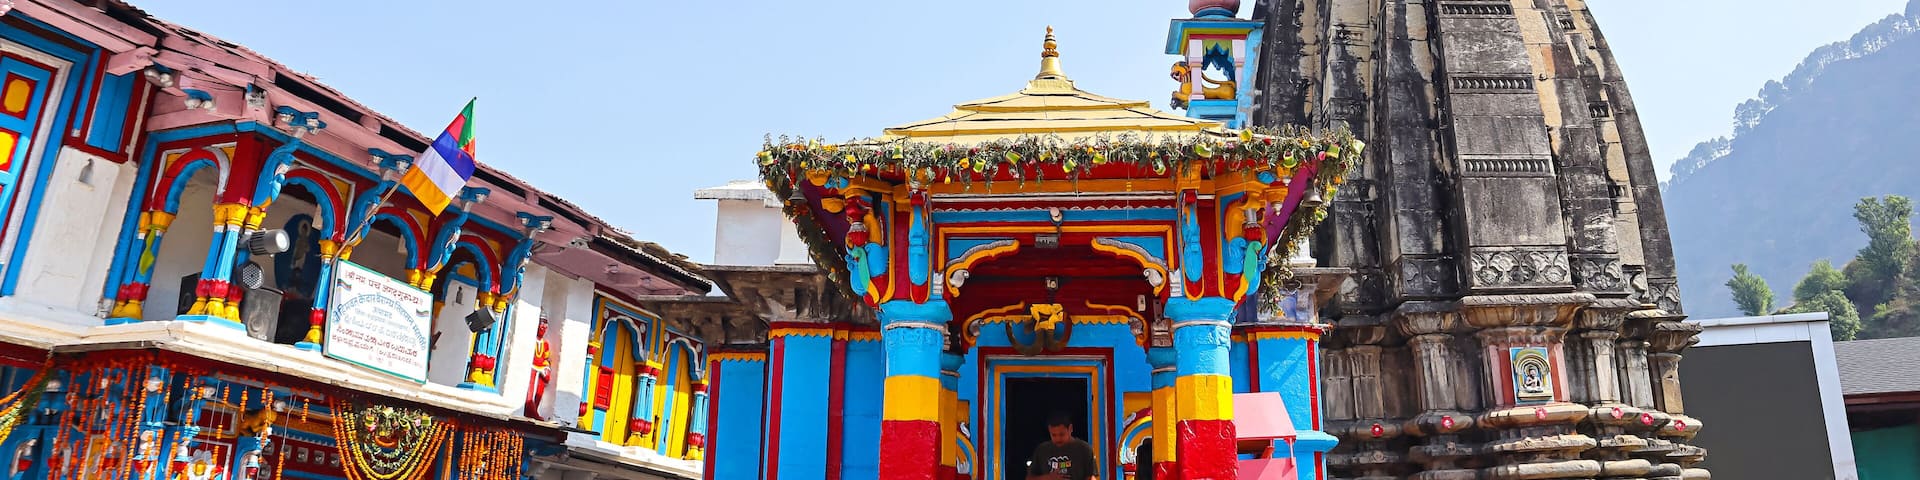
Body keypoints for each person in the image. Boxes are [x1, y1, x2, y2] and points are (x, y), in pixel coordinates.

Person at [1028, 412, 1098, 480]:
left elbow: (1091, 476)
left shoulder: (1084, 449)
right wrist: (1048, 477)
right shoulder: (1042, 450)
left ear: (1070, 428)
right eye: (1054, 435)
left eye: (1062, 434)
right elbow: (1029, 478)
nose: (1058, 439)